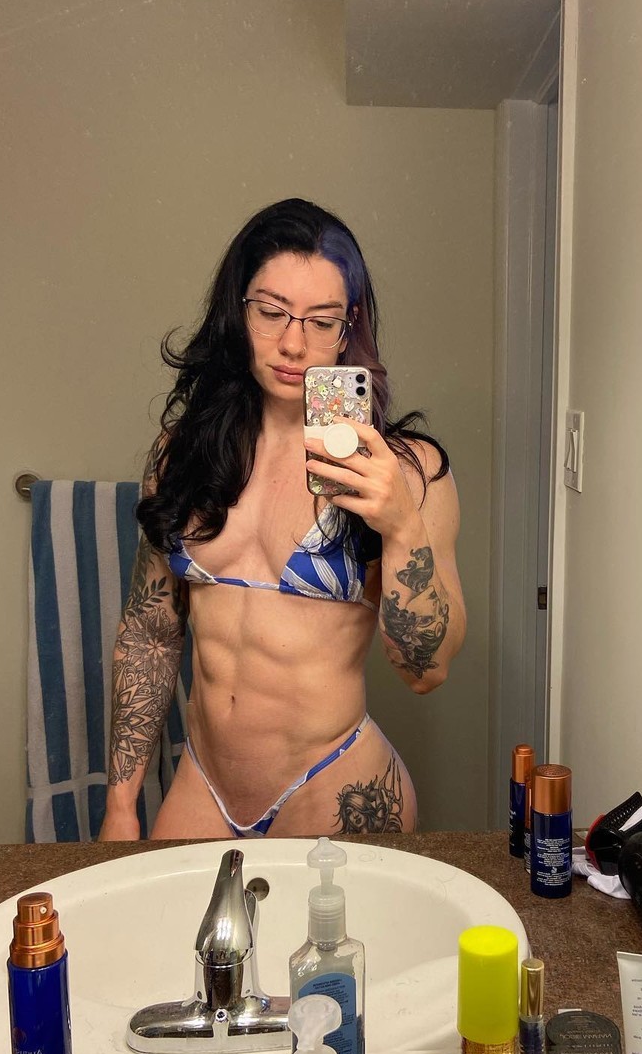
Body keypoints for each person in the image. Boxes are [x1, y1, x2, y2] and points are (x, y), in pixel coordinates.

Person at [98, 198, 465, 840]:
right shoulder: (185, 455)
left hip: (335, 783)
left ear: (349, 328)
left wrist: (402, 526)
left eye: (321, 322)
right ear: (236, 310)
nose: (293, 344)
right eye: (271, 313)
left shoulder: (406, 470)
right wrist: (121, 806)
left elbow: (426, 672)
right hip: (204, 784)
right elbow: (150, 634)